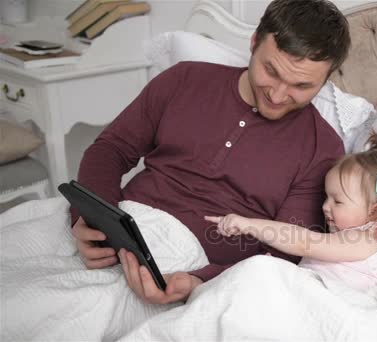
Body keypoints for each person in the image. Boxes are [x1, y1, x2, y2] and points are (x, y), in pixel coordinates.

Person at [70, 0, 351, 304]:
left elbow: (284, 252)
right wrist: (90, 220)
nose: (278, 94)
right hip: (122, 232)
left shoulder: (323, 147)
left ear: (327, 78)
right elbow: (110, 149)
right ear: (255, 42)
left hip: (200, 276)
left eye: (301, 85)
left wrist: (199, 282)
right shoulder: (183, 79)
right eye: (271, 71)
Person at [205, 132, 377, 290]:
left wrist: (250, 225)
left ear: (374, 211)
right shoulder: (348, 239)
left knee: (259, 270)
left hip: (328, 308)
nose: (324, 206)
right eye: (326, 197)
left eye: (337, 201)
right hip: (308, 299)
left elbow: (305, 243)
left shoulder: (368, 239)